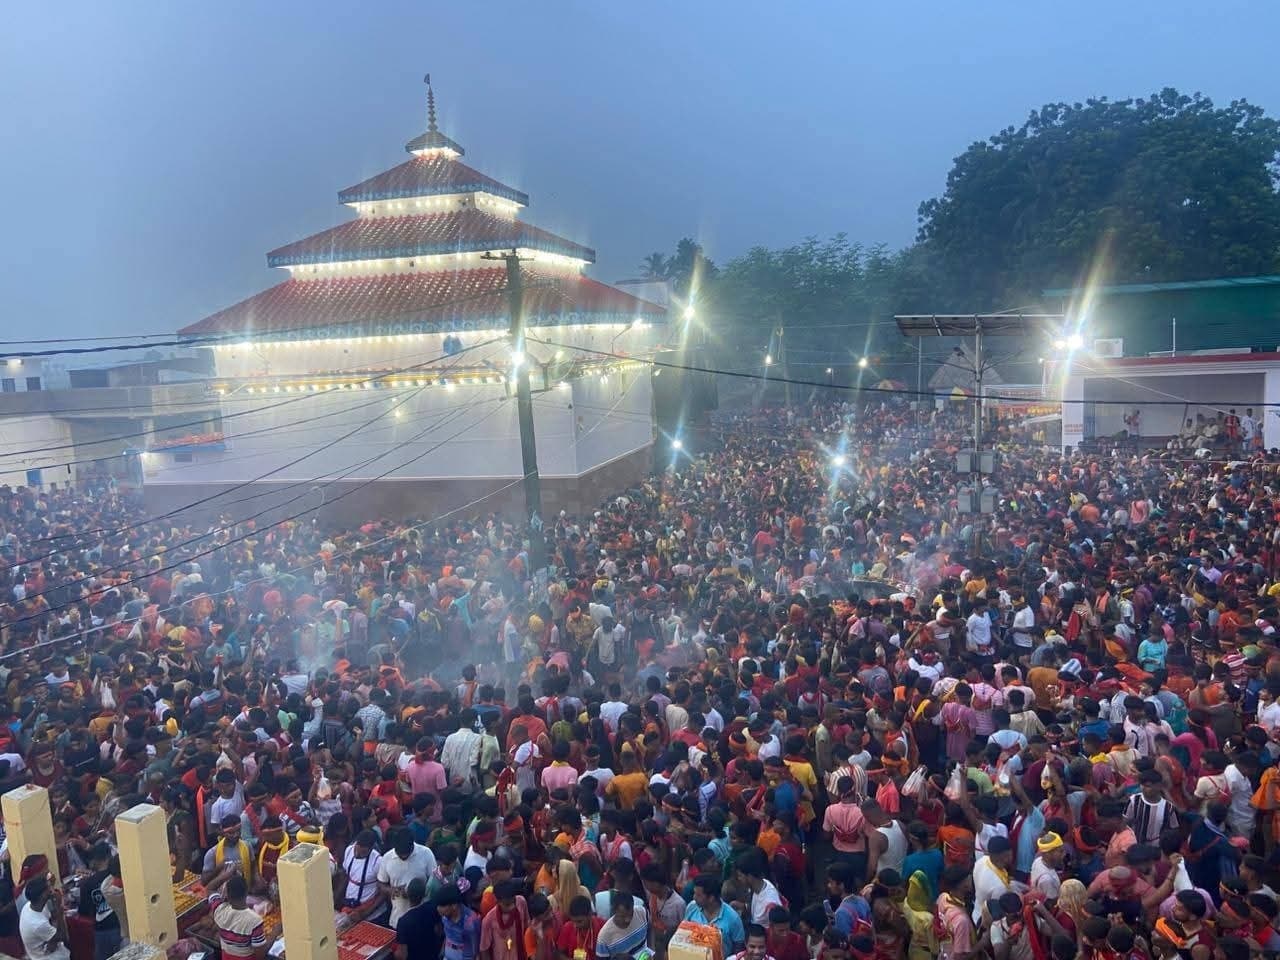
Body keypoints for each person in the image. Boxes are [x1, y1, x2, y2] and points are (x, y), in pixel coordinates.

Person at [207, 870, 269, 960]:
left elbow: (210, 888)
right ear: (246, 892)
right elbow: (260, 955)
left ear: (227, 894)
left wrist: (226, 874)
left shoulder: (219, 910)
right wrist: (276, 932)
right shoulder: (254, 921)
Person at [684, 876, 745, 955]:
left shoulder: (733, 918)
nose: (694, 897)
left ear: (711, 898)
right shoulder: (691, 907)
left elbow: (739, 947)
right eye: (694, 893)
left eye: (698, 895)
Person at [19, 875, 69, 960]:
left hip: (44, 948)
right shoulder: (38, 924)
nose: (52, 889)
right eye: (49, 887)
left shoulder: (29, 906)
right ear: (43, 895)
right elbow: (64, 937)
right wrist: (59, 909)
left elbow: (52, 917)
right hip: (48, 957)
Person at [395, 877, 442, 960]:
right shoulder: (432, 907)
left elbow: (402, 955)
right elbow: (438, 931)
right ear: (424, 894)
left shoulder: (403, 922)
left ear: (407, 894)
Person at [595, 889, 649, 959]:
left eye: (631, 914)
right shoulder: (604, 937)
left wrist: (650, 949)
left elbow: (650, 928)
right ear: (614, 911)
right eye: (622, 916)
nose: (627, 920)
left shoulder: (641, 912)